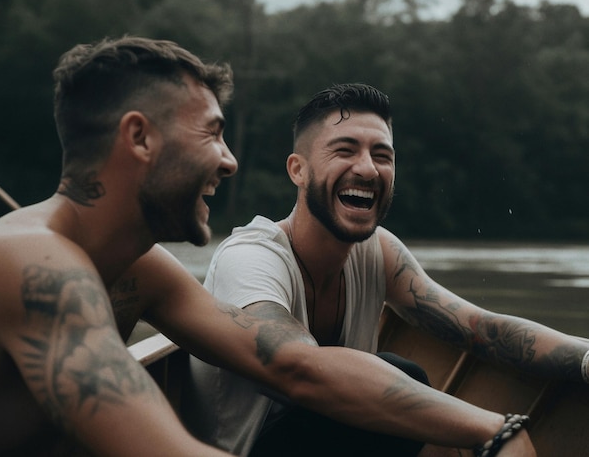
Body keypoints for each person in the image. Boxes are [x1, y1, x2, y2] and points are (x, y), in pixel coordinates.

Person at [0, 38, 537, 456]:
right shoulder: (32, 263)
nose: (230, 160)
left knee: (399, 373)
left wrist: (491, 428)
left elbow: (292, 364)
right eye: (212, 132)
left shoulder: (144, 269)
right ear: (139, 137)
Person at [182, 82, 589, 457]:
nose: (369, 169)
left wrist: (584, 357)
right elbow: (297, 365)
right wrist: (494, 430)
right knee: (400, 373)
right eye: (345, 150)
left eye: (382, 155)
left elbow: (480, 329)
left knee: (398, 377)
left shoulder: (376, 252)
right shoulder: (252, 257)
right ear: (298, 170)